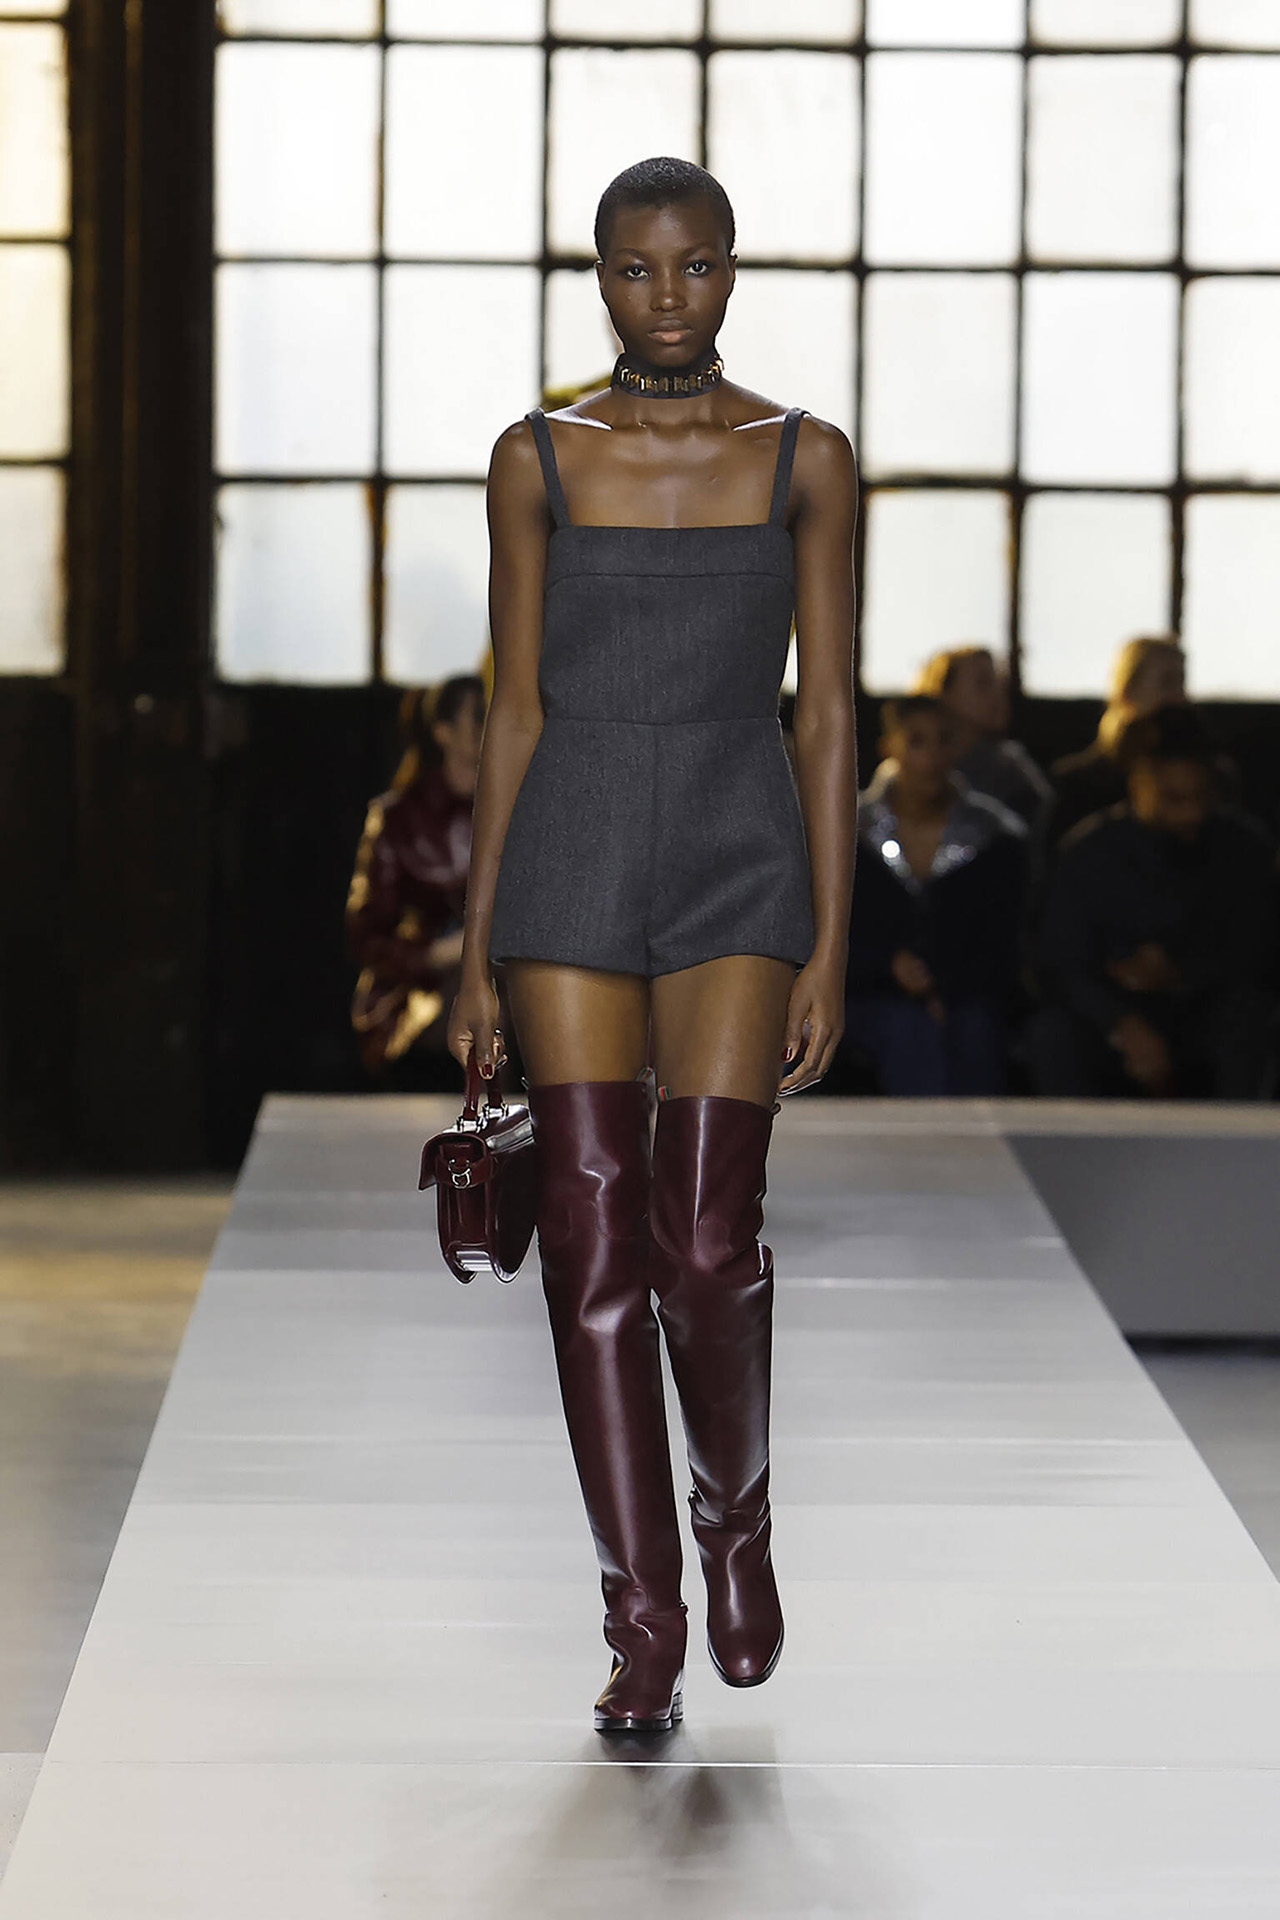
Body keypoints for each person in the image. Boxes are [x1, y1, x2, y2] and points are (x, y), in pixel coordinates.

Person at [447, 157, 857, 1735]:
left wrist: (827, 939)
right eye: (635, 268)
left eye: (692, 265)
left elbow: (829, 714)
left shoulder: (804, 458)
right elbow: (514, 708)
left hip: (739, 843)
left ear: (732, 269)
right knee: (592, 1240)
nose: (665, 296)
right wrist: (478, 947)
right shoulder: (536, 457)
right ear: (601, 276)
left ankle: (733, 1517)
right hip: (574, 844)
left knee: (703, 1240)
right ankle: (642, 1619)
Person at [1031, 705, 1277, 1099]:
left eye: (1201, 796)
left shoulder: (1243, 849)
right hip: (1114, 1018)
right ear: (1138, 784)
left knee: (1248, 1019)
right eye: (1173, 799)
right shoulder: (1090, 853)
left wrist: (1180, 975)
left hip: (1205, 1015)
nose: (1191, 813)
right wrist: (1122, 1023)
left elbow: (1257, 952)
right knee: (1054, 1035)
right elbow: (1062, 963)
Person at [844, 696, 1028, 1095]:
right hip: (863, 999)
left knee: (975, 1030)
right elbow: (824, 933)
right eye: (916, 740)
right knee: (908, 1029)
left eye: (944, 740)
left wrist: (940, 985)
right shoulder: (845, 833)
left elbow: (1006, 943)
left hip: (968, 1000)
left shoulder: (996, 837)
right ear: (888, 746)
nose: (932, 755)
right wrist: (886, 967)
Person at [346, 676, 485, 1084]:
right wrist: (436, 953)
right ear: (443, 732)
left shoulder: (520, 809)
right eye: (480, 716)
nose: (492, 724)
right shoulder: (400, 819)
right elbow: (365, 934)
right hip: (421, 1003)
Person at [1047, 634, 1187, 847]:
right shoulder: (1078, 785)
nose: (1179, 698)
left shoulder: (1206, 783)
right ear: (1127, 691)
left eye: (1181, 683)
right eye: (1167, 682)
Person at [913, 644, 1050, 832]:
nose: (998, 694)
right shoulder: (922, 769)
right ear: (944, 694)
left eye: (1000, 683)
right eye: (983, 683)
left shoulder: (1013, 765)